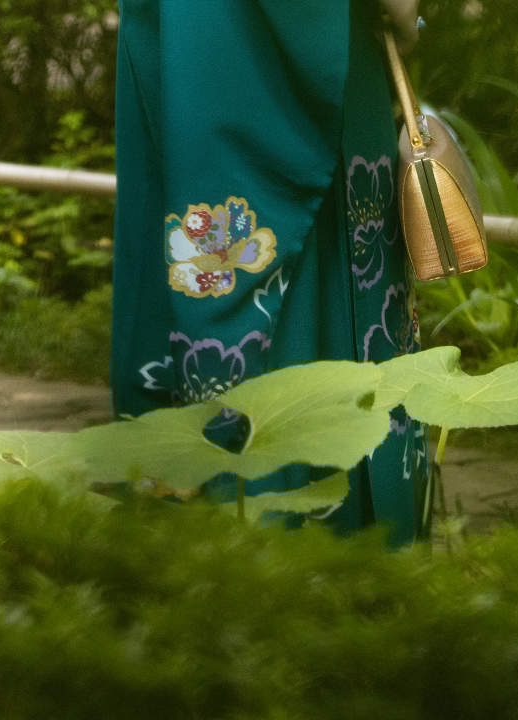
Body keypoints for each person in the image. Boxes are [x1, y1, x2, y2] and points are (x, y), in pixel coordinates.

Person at [111, 0, 429, 544]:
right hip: (307, 34)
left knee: (191, 225)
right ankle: (337, 551)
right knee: (324, 268)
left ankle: (195, 539)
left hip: (189, 33)